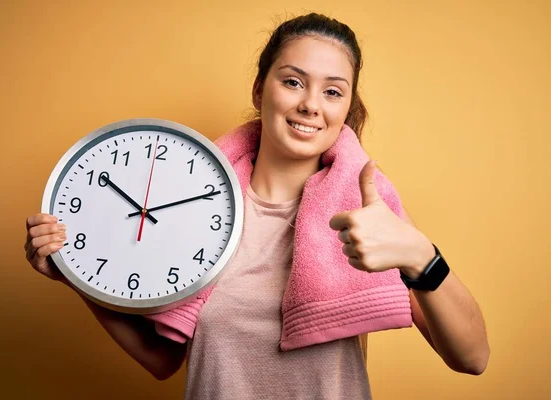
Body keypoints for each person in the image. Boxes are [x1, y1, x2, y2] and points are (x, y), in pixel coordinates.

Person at [24, 13, 489, 399]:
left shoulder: (367, 212)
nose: (311, 105)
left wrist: (420, 256)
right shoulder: (184, 210)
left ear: (346, 108)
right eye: (293, 81)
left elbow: (473, 357)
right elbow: (162, 359)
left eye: (332, 91)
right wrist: (78, 274)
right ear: (259, 90)